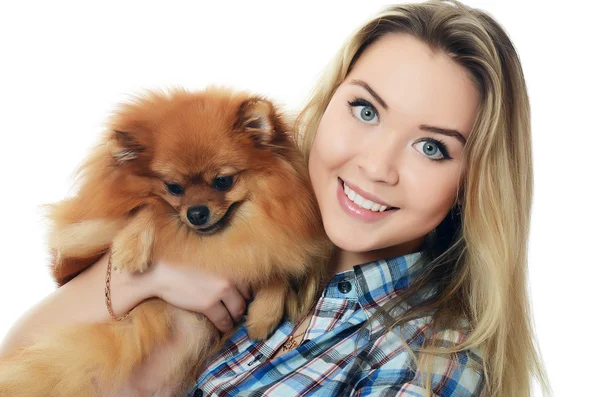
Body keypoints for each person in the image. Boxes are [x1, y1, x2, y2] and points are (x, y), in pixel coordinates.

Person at [0, 1, 550, 396]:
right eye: (365, 110)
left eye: (431, 147)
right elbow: (16, 361)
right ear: (328, 101)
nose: (376, 166)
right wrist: (146, 278)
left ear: (475, 185)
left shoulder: (426, 366)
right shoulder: (264, 258)